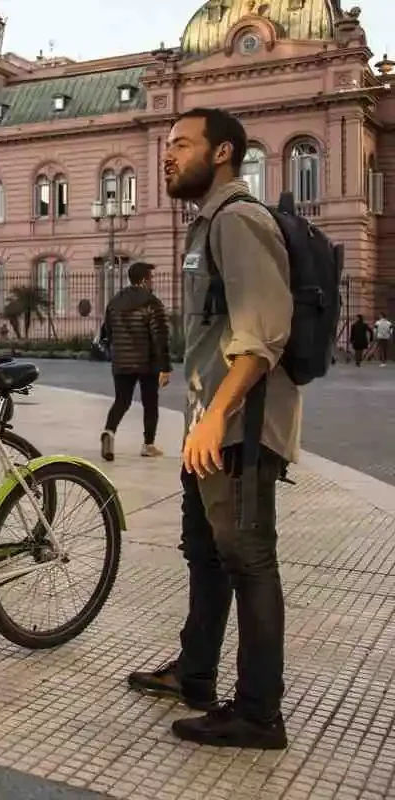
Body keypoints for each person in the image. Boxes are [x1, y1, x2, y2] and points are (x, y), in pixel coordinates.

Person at [127, 107, 299, 750]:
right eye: (167, 144)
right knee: (205, 554)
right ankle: (195, 674)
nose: (167, 155)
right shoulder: (206, 224)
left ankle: (259, 713)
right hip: (211, 422)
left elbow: (263, 335)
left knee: (249, 561)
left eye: (182, 144)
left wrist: (218, 416)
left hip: (238, 427)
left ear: (222, 152)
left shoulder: (239, 221)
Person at [99, 261, 172, 461]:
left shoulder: (114, 302)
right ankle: (148, 445)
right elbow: (160, 337)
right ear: (143, 280)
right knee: (150, 402)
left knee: (122, 401)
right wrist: (165, 367)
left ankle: (109, 431)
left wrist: (117, 352)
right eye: (151, 278)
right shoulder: (152, 303)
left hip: (121, 360)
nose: (152, 282)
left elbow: (107, 332)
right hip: (146, 362)